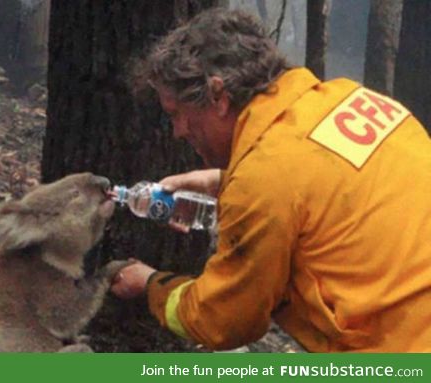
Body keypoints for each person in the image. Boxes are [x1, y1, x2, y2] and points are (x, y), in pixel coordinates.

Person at [110, 8, 431, 352]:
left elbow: (224, 320)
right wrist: (224, 180)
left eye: (177, 115)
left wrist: (150, 285)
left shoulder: (263, 182)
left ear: (218, 96)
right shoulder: (352, 99)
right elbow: (324, 187)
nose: (177, 132)